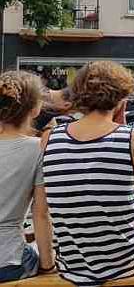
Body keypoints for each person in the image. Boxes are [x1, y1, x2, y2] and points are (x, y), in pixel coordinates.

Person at [43, 62, 134, 285]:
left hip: (73, 263)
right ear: (121, 99)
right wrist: (122, 125)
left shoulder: (50, 137)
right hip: (125, 259)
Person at [0, 72, 55, 282]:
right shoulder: (38, 148)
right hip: (8, 260)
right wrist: (48, 267)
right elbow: (41, 215)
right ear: (35, 109)